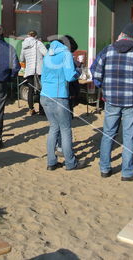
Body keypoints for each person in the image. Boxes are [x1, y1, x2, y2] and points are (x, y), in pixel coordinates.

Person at [92, 23, 133, 181]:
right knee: (129, 136)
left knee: (108, 133)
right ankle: (127, 172)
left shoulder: (108, 50)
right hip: (131, 100)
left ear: (122, 34)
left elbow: (96, 72)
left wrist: (104, 86)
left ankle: (105, 168)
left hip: (111, 99)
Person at [40, 36, 87, 171]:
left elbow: (43, 76)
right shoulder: (66, 54)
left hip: (45, 95)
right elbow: (70, 76)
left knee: (53, 128)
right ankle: (70, 163)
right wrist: (78, 71)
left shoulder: (48, 54)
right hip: (59, 96)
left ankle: (51, 162)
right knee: (65, 130)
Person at [20, 30, 48, 116]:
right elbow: (46, 53)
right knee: (41, 89)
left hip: (29, 70)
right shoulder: (38, 43)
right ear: (35, 36)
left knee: (30, 90)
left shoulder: (24, 45)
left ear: (28, 35)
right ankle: (42, 110)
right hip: (39, 69)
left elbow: (21, 58)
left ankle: (31, 109)